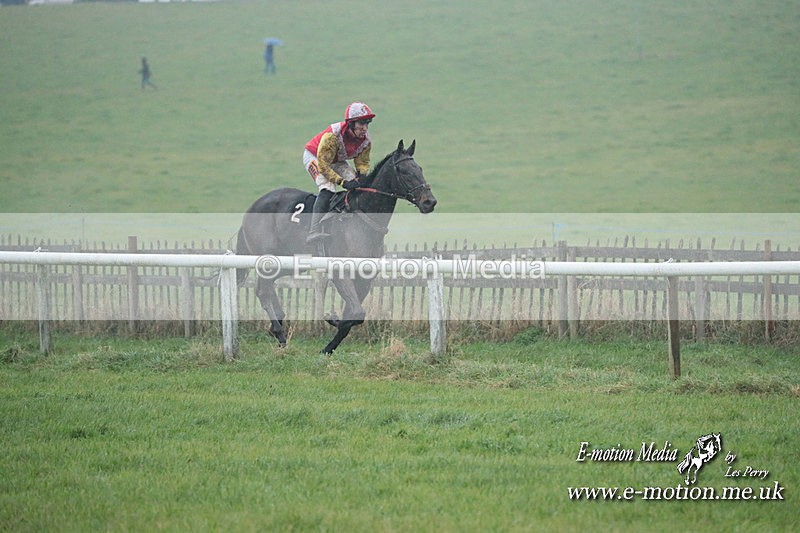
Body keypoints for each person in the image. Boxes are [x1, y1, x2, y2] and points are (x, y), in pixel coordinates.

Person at [303, 102, 375, 243]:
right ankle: (314, 230)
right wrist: (342, 182)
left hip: (336, 159)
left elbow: (362, 162)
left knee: (357, 184)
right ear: (351, 124)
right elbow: (324, 166)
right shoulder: (332, 136)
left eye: (367, 123)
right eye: (361, 124)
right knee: (328, 187)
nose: (365, 128)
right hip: (315, 157)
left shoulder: (366, 141)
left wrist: (361, 176)